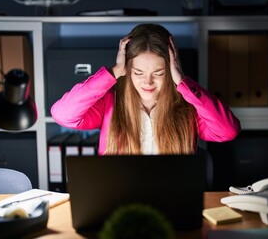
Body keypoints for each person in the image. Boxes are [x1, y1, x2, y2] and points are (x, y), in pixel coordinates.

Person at [51, 23, 241, 155]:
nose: (148, 82)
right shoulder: (110, 103)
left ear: (171, 70)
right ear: (127, 69)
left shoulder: (188, 107)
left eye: (158, 73)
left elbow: (228, 131)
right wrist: (113, 72)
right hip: (120, 199)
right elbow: (63, 114)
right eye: (139, 72)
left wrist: (183, 82)